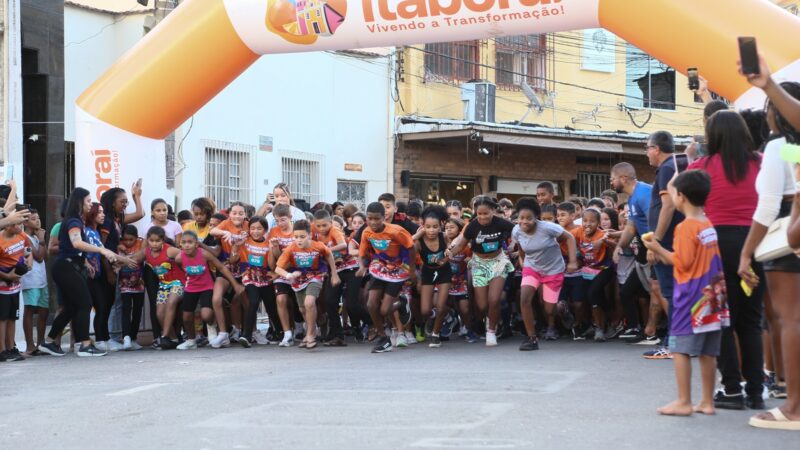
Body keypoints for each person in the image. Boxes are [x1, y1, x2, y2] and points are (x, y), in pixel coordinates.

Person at [687, 110, 765, 411]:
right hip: (755, 245)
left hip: (716, 249)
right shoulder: (761, 162)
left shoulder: (700, 166)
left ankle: (731, 389)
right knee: (752, 321)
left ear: (712, 136)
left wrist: (691, 153)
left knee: (722, 321)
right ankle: (756, 391)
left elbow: (683, 201)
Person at [737, 81, 800, 429]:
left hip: (784, 233)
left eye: (769, 106)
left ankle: (794, 406)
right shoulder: (795, 148)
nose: (766, 114)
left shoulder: (778, 146)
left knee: (788, 319)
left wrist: (747, 252)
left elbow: (769, 203)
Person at [643, 169, 729, 417]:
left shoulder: (685, 227)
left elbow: (680, 261)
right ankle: (706, 401)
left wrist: (656, 247)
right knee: (708, 351)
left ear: (680, 196)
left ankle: (683, 400)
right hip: (714, 294)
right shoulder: (707, 223)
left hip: (691, 296)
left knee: (680, 348)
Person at [39, 188, 132, 357]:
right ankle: (85, 345)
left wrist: (86, 261)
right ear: (80, 202)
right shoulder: (74, 221)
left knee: (72, 307)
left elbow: (72, 248)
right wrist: (102, 251)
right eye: (88, 201)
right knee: (85, 303)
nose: (91, 204)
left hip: (68, 266)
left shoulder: (77, 221)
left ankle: (50, 341)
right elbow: (76, 243)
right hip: (65, 268)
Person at [447, 196, 514, 347]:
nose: (483, 217)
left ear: (493, 211)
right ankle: (489, 318)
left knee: (494, 299)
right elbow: (461, 245)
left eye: (486, 213)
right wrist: (450, 253)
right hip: (479, 263)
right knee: (483, 305)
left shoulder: (502, 223)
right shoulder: (472, 226)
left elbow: (518, 233)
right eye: (479, 214)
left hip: (498, 262)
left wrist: (515, 245)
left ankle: (491, 331)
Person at [513, 197, 578, 350]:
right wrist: (522, 261)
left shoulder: (548, 228)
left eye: (529, 218)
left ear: (536, 218)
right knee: (524, 299)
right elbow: (521, 246)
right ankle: (532, 339)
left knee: (549, 310)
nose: (524, 221)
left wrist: (573, 261)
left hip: (553, 270)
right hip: (532, 268)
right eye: (521, 218)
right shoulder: (516, 230)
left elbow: (570, 238)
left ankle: (562, 308)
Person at [644, 130, 685, 360]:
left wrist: (655, 242)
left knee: (671, 293)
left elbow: (668, 206)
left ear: (657, 148)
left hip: (669, 242)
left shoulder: (668, 167)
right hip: (678, 239)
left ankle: (674, 343)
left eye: (648, 148)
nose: (647, 153)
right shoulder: (681, 162)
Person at [357, 202, 417, 353]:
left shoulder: (396, 231)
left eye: (377, 219)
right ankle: (384, 339)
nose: (373, 222)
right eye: (370, 219)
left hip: (398, 267)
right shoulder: (366, 232)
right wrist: (362, 266)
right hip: (380, 265)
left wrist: (412, 270)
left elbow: (411, 247)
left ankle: (401, 303)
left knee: (384, 310)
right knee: (371, 304)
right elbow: (362, 253)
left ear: (384, 218)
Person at [275, 219, 340, 349]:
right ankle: (313, 328)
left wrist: (334, 273)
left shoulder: (318, 246)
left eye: (302, 237)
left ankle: (311, 334)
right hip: (299, 279)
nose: (299, 240)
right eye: (296, 237)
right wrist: (289, 275)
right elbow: (278, 268)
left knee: (309, 303)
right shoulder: (291, 248)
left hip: (316, 276)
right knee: (302, 309)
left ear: (310, 235)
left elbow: (329, 255)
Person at [175, 231, 244, 350]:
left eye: (190, 242)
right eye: (184, 242)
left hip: (207, 287)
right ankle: (191, 340)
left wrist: (235, 284)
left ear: (196, 244)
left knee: (206, 315)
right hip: (190, 287)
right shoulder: (179, 258)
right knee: (186, 317)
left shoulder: (204, 254)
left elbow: (221, 267)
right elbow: (182, 270)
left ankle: (212, 325)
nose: (186, 245)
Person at [313, 209, 359, 347]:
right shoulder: (317, 235)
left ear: (330, 223)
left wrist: (326, 250)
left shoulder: (334, 231)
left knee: (351, 303)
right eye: (318, 226)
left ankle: (370, 323)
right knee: (329, 301)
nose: (322, 229)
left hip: (350, 268)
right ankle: (337, 335)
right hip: (335, 270)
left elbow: (343, 245)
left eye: (324, 225)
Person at [229, 216, 277, 346]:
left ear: (265, 230)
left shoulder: (268, 243)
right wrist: (235, 247)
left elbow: (272, 266)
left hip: (265, 278)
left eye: (259, 228)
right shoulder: (244, 241)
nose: (255, 231)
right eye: (253, 228)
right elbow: (233, 260)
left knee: (271, 305)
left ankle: (279, 332)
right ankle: (247, 335)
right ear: (249, 229)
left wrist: (272, 250)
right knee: (254, 301)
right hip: (248, 276)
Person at [208, 202, 249, 347]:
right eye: (234, 213)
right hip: (227, 266)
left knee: (241, 299)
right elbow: (212, 231)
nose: (237, 215)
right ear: (229, 214)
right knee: (217, 298)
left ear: (245, 215)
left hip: (244, 267)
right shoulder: (225, 224)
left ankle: (247, 330)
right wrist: (225, 232)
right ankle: (223, 333)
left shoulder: (248, 226)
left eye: (240, 213)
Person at [572, 208, 615, 341]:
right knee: (590, 296)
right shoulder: (579, 231)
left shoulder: (602, 234)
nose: (587, 224)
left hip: (604, 269)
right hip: (588, 270)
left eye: (592, 221)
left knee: (593, 293)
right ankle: (595, 324)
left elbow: (615, 244)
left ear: (598, 223)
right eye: (585, 221)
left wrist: (604, 241)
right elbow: (566, 235)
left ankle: (599, 328)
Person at [413, 205, 452, 348]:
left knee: (440, 306)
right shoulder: (419, 241)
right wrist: (417, 235)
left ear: (441, 225)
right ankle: (447, 315)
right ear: (422, 226)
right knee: (425, 310)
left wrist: (446, 257)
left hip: (444, 271)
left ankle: (436, 335)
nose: (431, 230)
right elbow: (407, 245)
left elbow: (451, 251)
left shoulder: (444, 236)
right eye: (428, 227)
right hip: (427, 272)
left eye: (435, 227)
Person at [85, 202, 120, 352]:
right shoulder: (85, 231)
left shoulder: (96, 232)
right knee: (100, 305)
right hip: (88, 276)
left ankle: (104, 338)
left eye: (103, 211)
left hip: (97, 274)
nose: (103, 214)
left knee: (104, 306)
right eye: (99, 212)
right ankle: (99, 339)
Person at [269, 204, 301, 346]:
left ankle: (303, 326)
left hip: (298, 270)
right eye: (276, 220)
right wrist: (275, 247)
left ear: (290, 218)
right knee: (281, 299)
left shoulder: (297, 231)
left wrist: (279, 271)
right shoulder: (274, 231)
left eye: (283, 220)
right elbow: (276, 258)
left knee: (299, 303)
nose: (280, 223)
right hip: (282, 271)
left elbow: (297, 255)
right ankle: (287, 333)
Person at [0, 217, 32, 361]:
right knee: (2, 319)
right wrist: (7, 275)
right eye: (17, 224)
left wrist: (28, 263)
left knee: (13, 317)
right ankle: (2, 350)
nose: (21, 226)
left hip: (16, 285)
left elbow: (28, 251)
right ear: (7, 226)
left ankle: (11, 348)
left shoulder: (22, 235)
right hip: (3, 285)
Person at [21, 209, 48, 356]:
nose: (38, 221)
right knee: (30, 310)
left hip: (42, 280)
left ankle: (41, 344)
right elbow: (38, 257)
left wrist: (42, 240)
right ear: (25, 222)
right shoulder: (24, 237)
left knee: (44, 311)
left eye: (38, 218)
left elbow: (46, 256)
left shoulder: (38, 237)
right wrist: (42, 240)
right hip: (30, 280)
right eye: (33, 219)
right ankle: (30, 346)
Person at [117, 225, 145, 351]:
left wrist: (126, 259)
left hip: (139, 282)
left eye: (131, 240)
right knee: (126, 309)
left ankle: (133, 337)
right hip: (125, 282)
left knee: (138, 309)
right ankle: (126, 337)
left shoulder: (141, 244)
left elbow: (144, 259)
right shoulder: (119, 245)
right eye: (126, 239)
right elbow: (116, 261)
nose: (128, 242)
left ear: (136, 237)